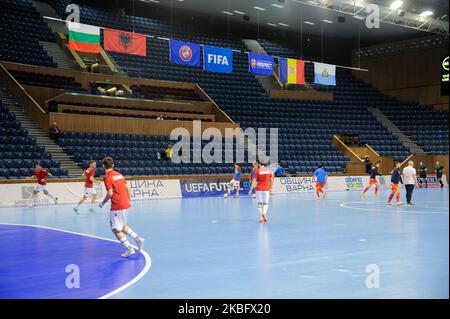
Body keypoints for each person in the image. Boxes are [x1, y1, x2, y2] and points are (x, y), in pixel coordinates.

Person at [99, 157, 144, 258]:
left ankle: (129, 248)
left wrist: (103, 202)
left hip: (117, 205)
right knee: (122, 226)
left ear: (103, 166)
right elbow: (128, 188)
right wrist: (129, 201)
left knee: (115, 229)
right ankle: (137, 239)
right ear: (113, 165)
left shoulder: (107, 177)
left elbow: (110, 193)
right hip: (125, 204)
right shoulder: (119, 175)